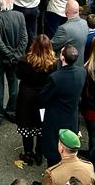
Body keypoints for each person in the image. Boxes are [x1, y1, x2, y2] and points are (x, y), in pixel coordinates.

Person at [39, 44, 86, 167]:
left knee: (54, 152)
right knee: (68, 149)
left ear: (62, 58)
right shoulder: (82, 72)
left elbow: (43, 98)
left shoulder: (55, 77)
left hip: (55, 118)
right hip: (71, 117)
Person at [16, 34, 57, 166]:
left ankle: (28, 153)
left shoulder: (24, 61)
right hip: (43, 98)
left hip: (26, 98)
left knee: (26, 124)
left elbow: (18, 75)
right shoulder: (52, 64)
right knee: (41, 125)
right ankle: (39, 153)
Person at [0, 0, 27, 126]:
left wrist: (9, 54)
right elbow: (24, 38)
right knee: (14, 86)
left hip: (1, 57)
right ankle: (12, 111)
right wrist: (16, 55)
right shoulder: (20, 16)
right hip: (16, 58)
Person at [50, 0, 88, 65]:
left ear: (66, 12)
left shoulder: (64, 29)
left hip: (66, 66)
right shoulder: (85, 23)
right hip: (80, 64)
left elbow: (52, 46)